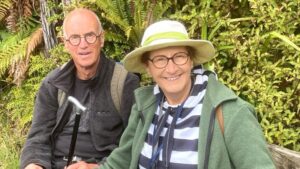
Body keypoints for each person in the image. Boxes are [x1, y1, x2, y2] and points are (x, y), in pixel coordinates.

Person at [67, 20, 275, 169]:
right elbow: (123, 159)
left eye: (179, 56)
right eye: (160, 59)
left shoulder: (230, 113)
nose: (171, 68)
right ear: (148, 67)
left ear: (191, 60)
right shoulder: (145, 106)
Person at [20, 8, 140, 169]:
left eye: (90, 36)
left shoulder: (123, 82)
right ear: (66, 44)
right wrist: (34, 164)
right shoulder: (53, 84)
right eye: (75, 38)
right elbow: (37, 138)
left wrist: (96, 167)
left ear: (101, 39)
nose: (83, 45)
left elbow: (134, 143)